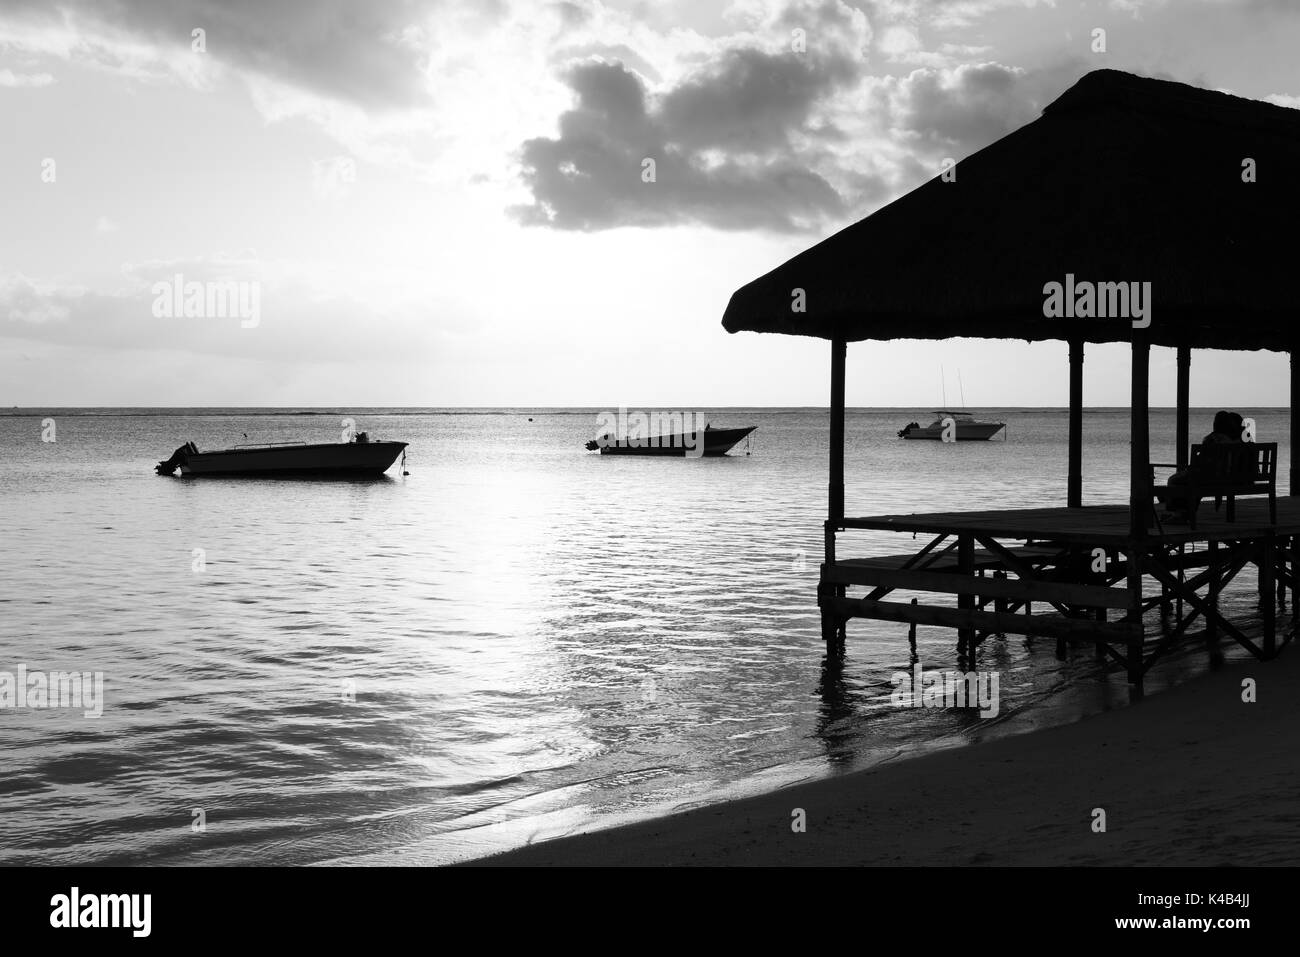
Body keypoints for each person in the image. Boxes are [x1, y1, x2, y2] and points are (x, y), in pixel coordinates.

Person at [1161, 411, 1246, 522]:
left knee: (1174, 480)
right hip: (1226, 478)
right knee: (1188, 482)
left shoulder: (1211, 439)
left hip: (1210, 478)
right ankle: (1183, 513)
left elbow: (1202, 462)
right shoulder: (1236, 441)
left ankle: (1179, 513)